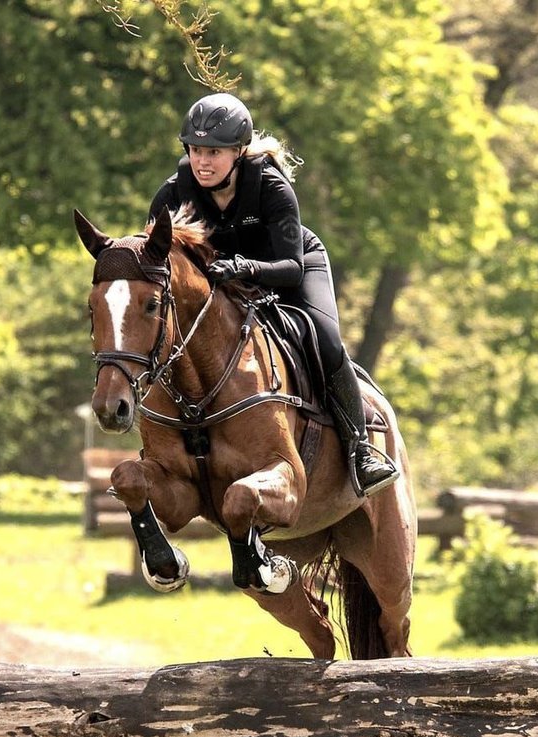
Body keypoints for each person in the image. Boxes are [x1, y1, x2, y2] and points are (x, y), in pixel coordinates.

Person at [148, 92, 399, 497]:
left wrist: (244, 267)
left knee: (323, 334)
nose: (202, 161)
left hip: (289, 267)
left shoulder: (270, 187)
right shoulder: (174, 194)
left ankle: (359, 448)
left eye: (214, 151)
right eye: (195, 150)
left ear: (238, 151)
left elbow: (291, 268)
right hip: (223, 280)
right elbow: (155, 260)